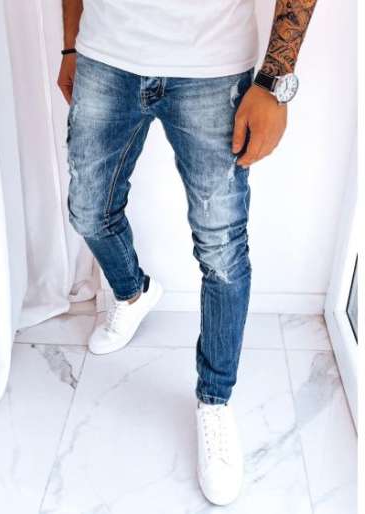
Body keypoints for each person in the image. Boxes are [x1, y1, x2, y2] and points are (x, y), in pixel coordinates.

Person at [57, 0, 317, 506]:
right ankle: (133, 293)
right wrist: (70, 45)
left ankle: (215, 399)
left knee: (221, 249)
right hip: (105, 54)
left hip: (213, 66)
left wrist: (274, 82)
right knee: (88, 210)